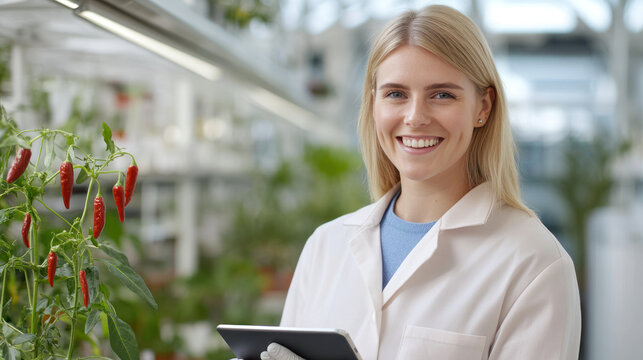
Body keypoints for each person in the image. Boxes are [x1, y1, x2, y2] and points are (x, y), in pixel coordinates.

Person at [259, 4, 581, 360]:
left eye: (442, 94)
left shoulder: (534, 263)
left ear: (483, 107)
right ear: (374, 102)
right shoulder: (325, 246)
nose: (415, 117)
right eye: (395, 94)